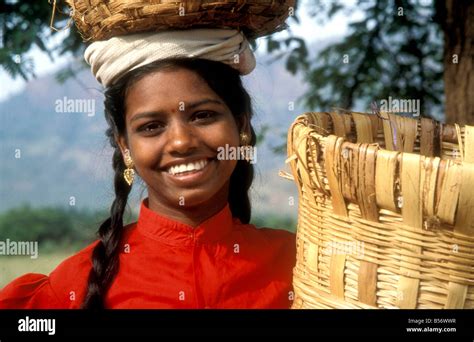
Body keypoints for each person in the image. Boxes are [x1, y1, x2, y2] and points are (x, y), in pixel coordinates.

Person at [0, 29, 296, 309]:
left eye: (203, 115)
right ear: (125, 146)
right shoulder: (73, 286)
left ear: (241, 126)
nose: (181, 142)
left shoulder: (301, 264)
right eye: (151, 127)